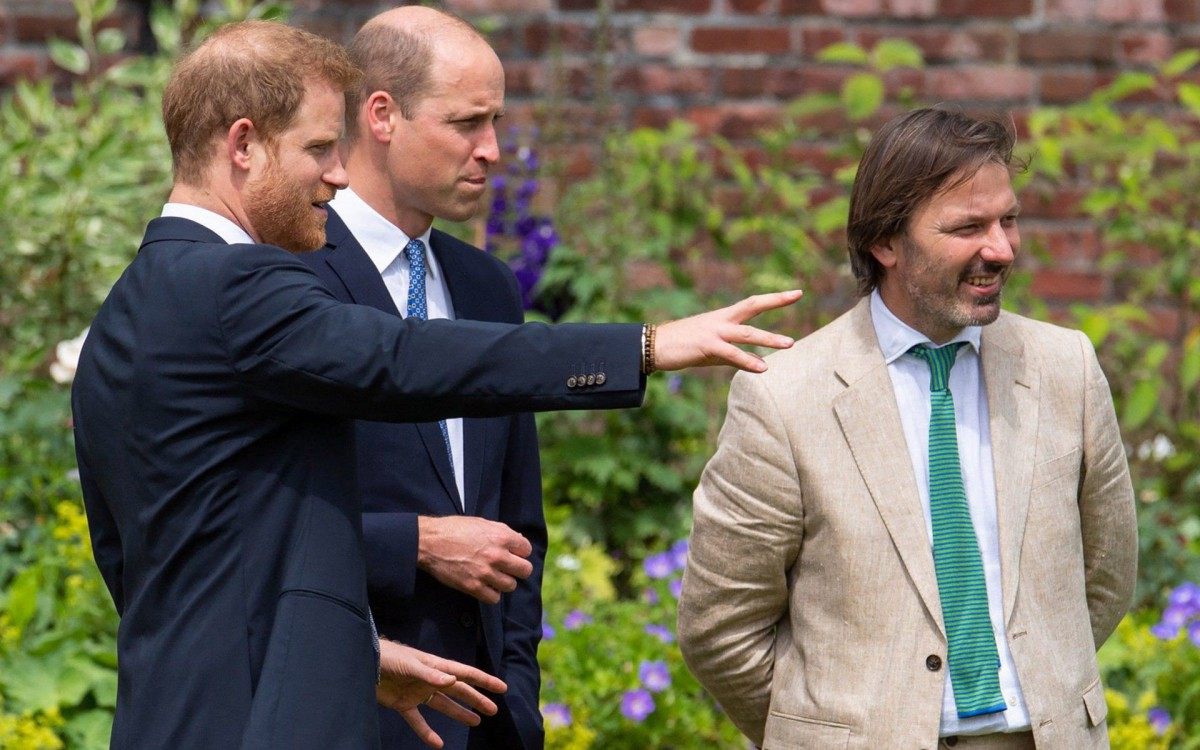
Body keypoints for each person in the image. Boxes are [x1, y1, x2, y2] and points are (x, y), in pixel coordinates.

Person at [71, 19, 801, 750]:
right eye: (320, 149)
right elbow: (397, 357)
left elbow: (172, 560)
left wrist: (352, 651)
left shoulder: (128, 308)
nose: (336, 171)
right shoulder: (237, 283)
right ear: (242, 145)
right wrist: (644, 347)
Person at [677, 108, 1137, 750]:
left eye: (1008, 220)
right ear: (885, 243)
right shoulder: (784, 399)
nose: (1000, 249)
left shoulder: (1067, 369)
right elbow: (720, 628)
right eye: (968, 227)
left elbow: (1106, 573)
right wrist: (830, 732)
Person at [298, 8, 543, 749]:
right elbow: (259, 523)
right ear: (381, 115)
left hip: (484, 720)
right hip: (343, 712)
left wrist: (519, 706)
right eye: (467, 123)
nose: (492, 150)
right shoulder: (293, 277)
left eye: (495, 122)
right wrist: (416, 542)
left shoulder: (487, 288)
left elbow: (518, 522)